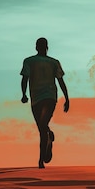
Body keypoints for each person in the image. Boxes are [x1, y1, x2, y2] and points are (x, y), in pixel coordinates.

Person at [20, 37, 69, 168]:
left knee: (42, 126)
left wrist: (67, 98)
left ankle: (41, 160)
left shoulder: (53, 62)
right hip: (36, 99)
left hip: (49, 97)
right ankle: (48, 136)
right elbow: (25, 78)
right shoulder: (29, 61)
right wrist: (24, 94)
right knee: (42, 127)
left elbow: (60, 81)